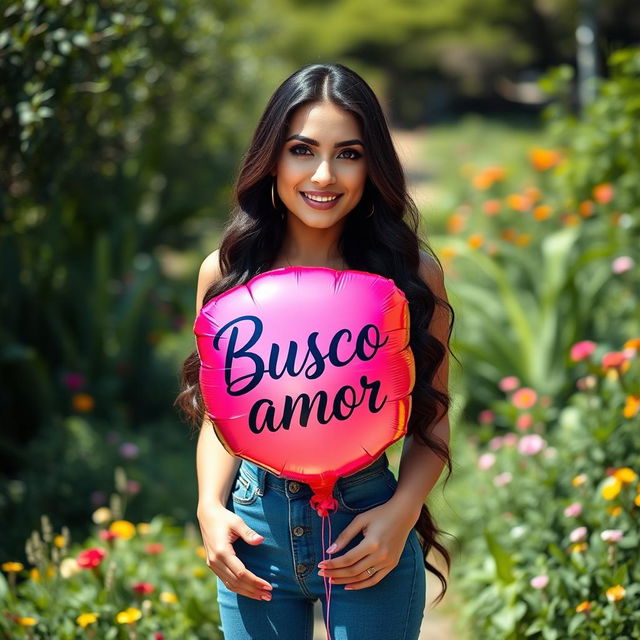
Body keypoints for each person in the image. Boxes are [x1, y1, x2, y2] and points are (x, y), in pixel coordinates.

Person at [176, 62, 456, 640]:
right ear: (272, 158)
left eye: (349, 154)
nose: (324, 174)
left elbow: (434, 416)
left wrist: (401, 517)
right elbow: (222, 416)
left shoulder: (410, 275)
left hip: (368, 521)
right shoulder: (227, 274)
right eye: (302, 150)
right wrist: (209, 505)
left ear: (372, 164)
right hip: (255, 531)